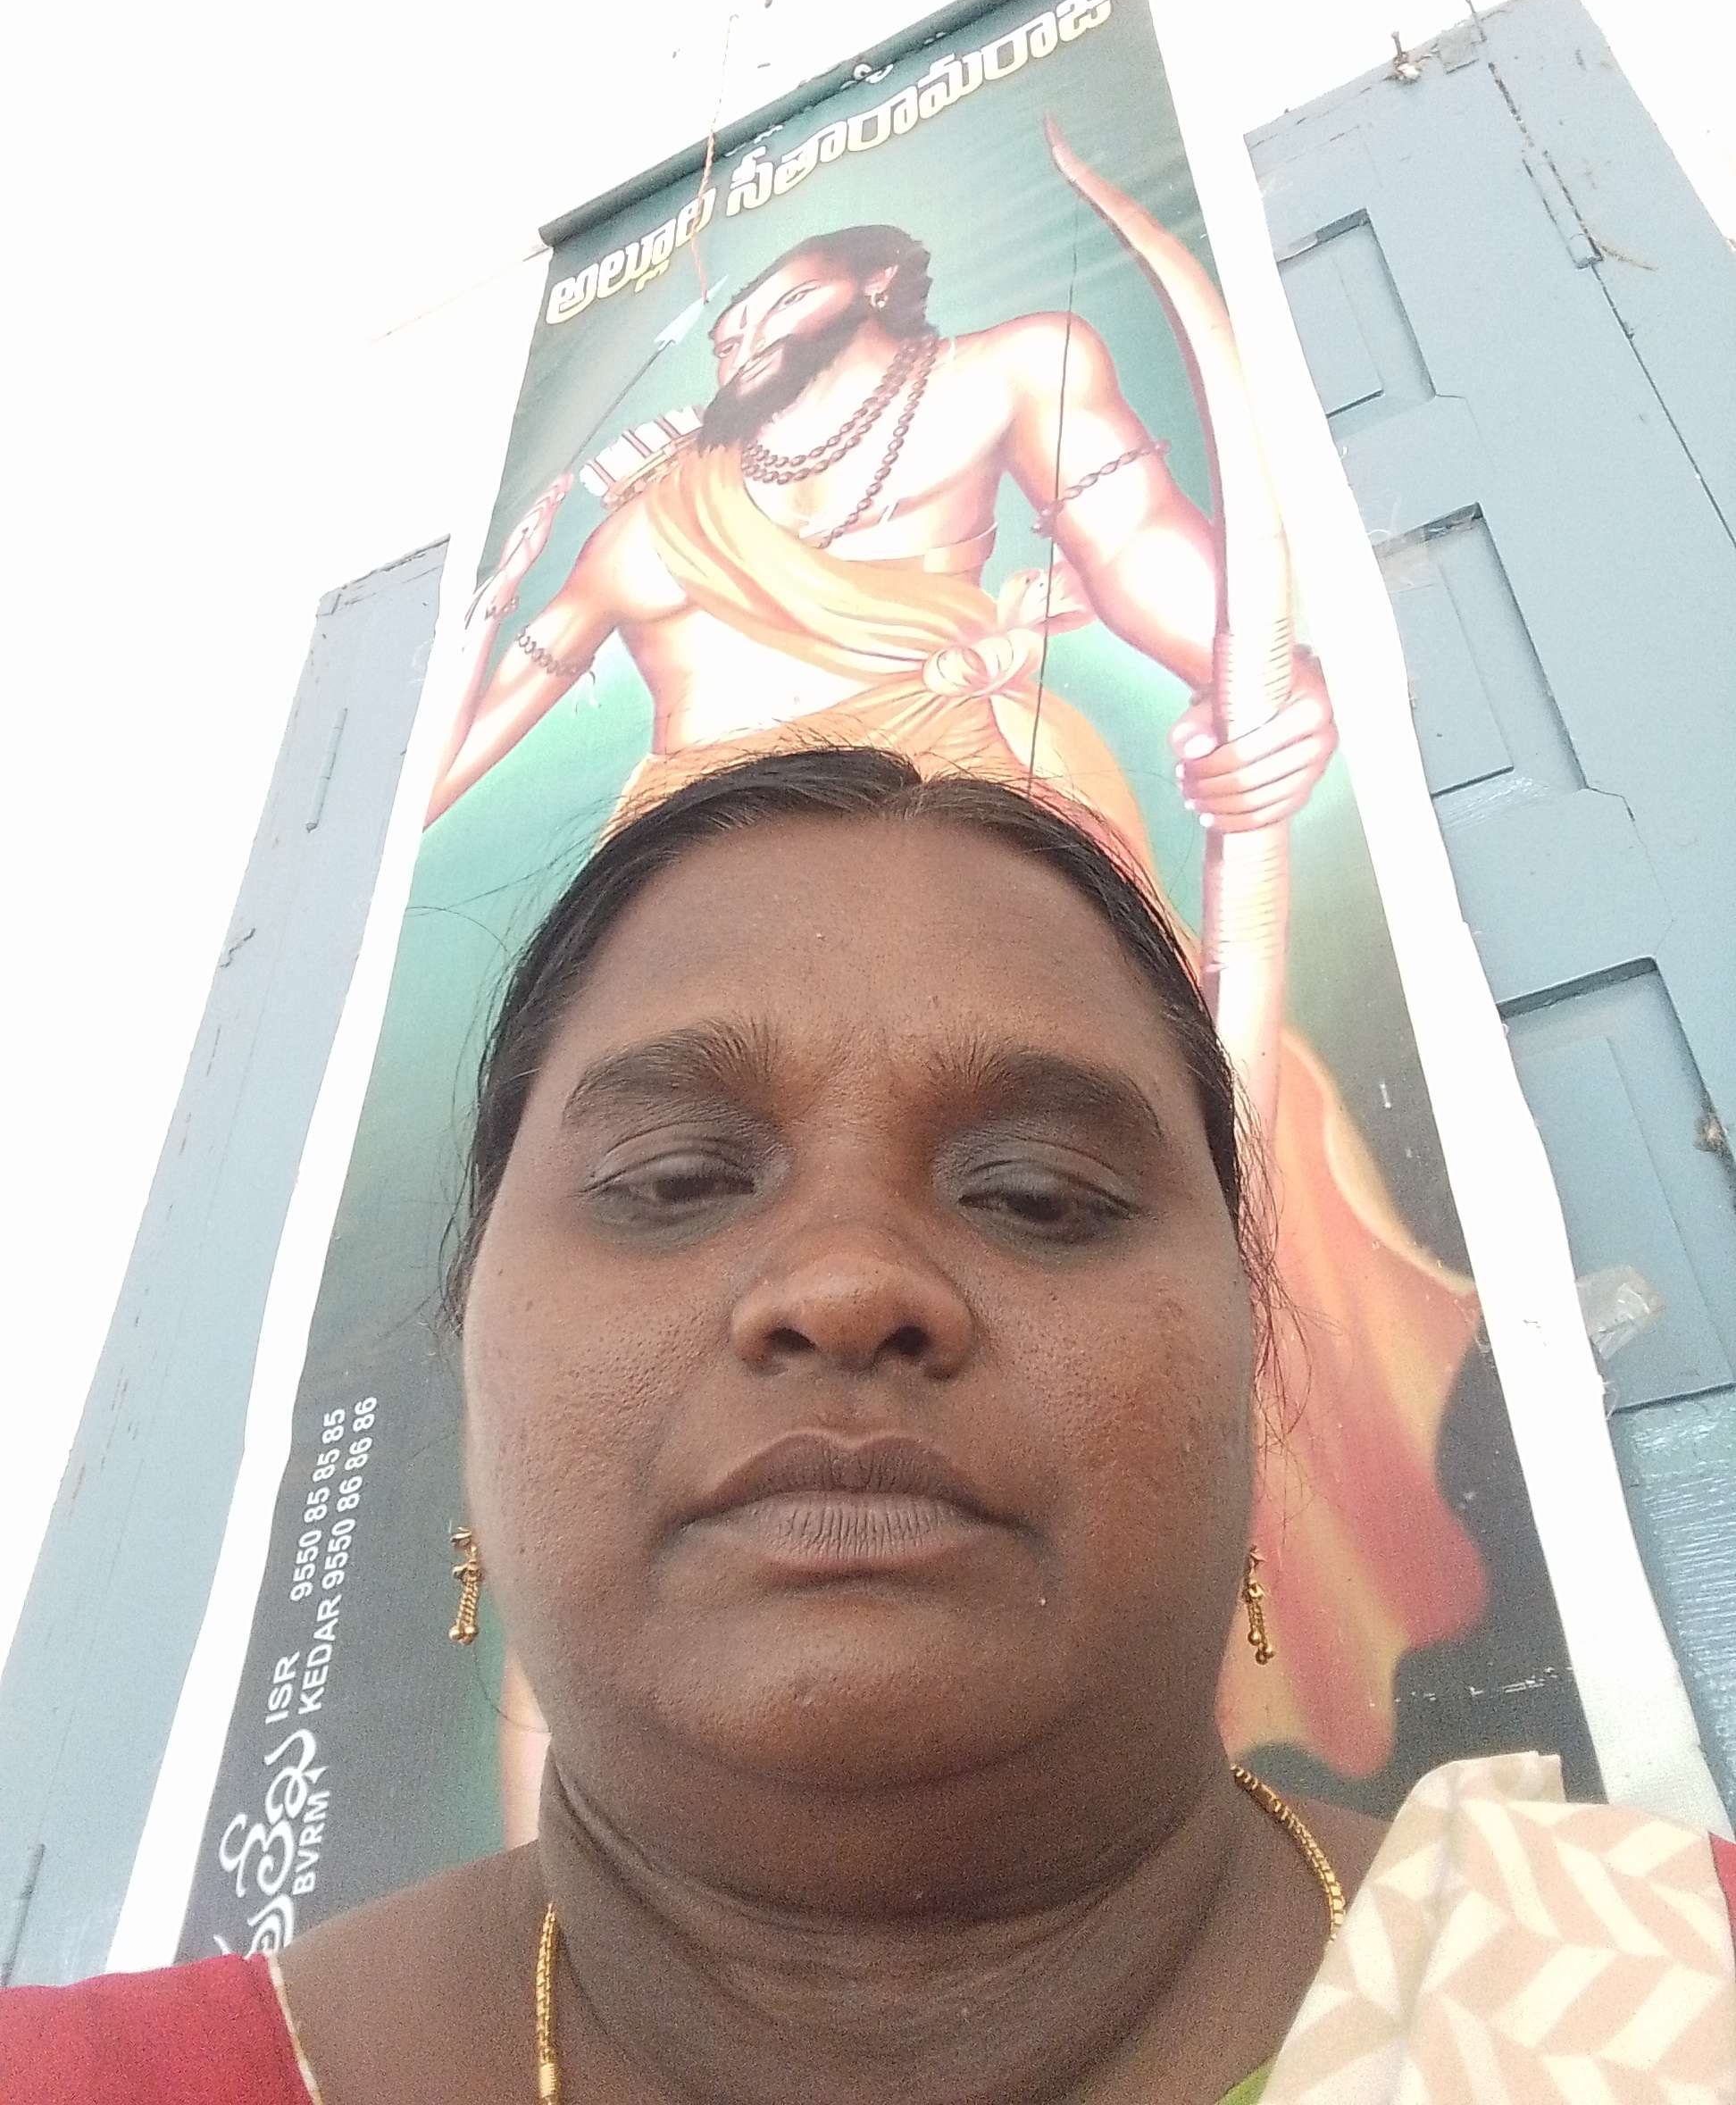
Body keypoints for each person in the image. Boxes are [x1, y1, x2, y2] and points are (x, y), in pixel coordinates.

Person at [8, 748, 1732, 2102]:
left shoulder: (1672, 1999)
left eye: (1040, 1193)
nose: (846, 1284)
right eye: (675, 1180)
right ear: (476, 1351)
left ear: (1253, 1368)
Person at [426, 213, 1485, 1783]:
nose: (843, 1291)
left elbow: (1150, 555)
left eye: (780, 290)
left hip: (984, 842)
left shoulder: (1008, 372)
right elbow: (459, 747)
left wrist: (1275, 698)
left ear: (877, 282)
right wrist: (477, 623)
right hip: (687, 892)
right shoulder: (657, 520)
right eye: (672, 1183)